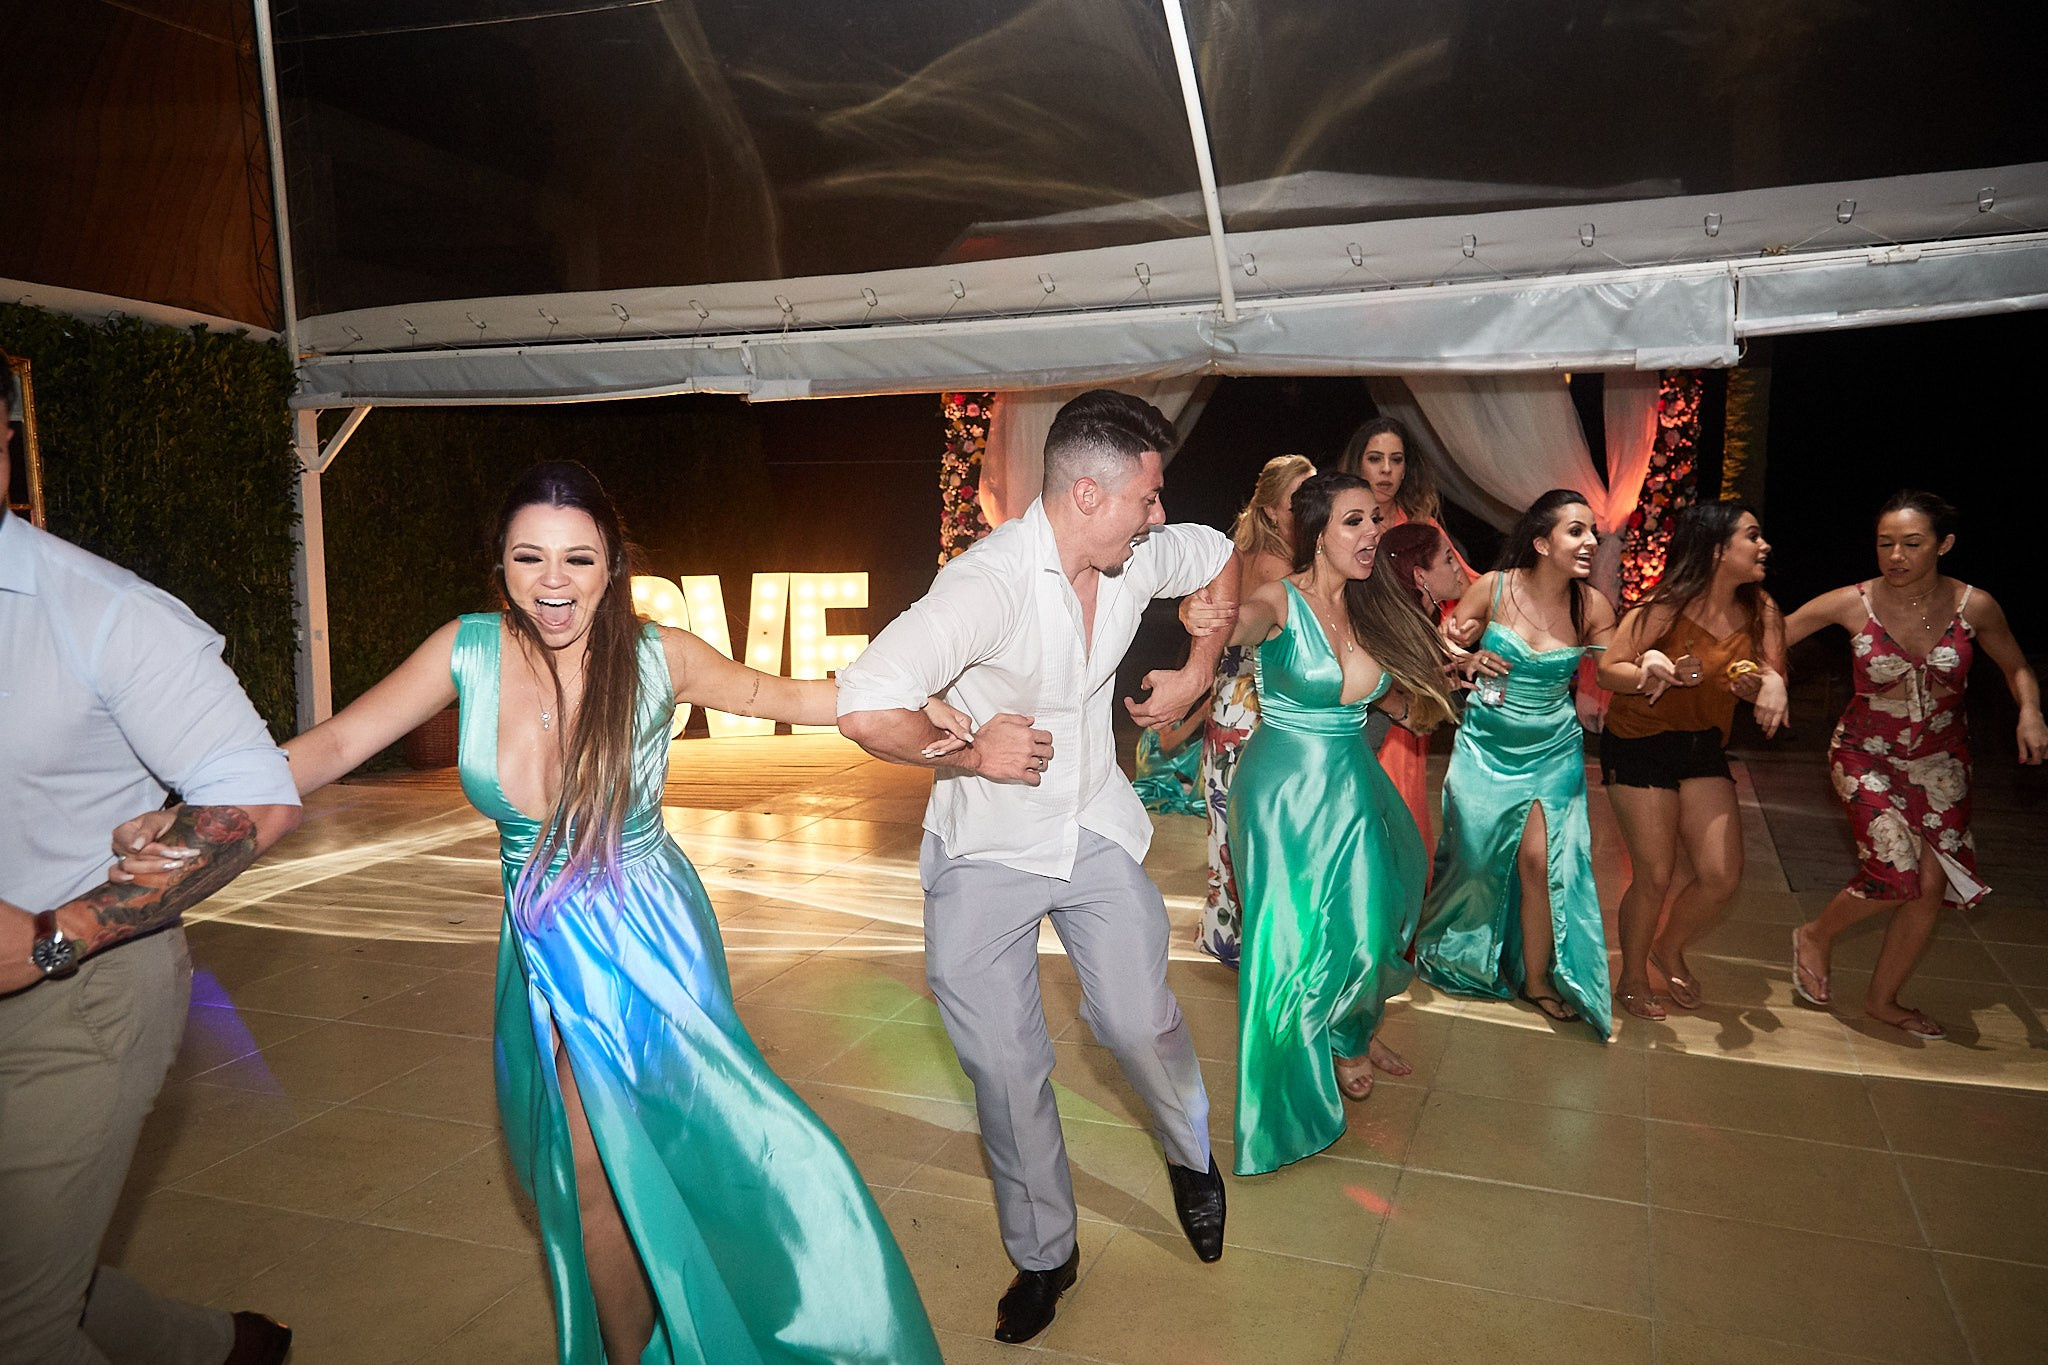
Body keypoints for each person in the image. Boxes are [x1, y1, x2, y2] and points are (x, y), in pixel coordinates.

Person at [122, 462, 945, 1364]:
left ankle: (794, 1310)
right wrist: (200, 809)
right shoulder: (465, 650)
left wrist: (920, 709)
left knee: (666, 1145)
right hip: (545, 941)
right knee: (588, 1172)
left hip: (648, 932)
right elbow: (339, 742)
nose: (555, 582)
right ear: (502, 566)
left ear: (612, 564)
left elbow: (792, 697)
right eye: (530, 557)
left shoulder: (657, 654)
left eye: (578, 559)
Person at [836, 389, 1240, 1346]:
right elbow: (865, 703)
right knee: (1008, 1068)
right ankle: (1045, 1253)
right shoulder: (987, 586)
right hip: (986, 845)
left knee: (1141, 1020)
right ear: (1088, 494)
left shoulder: (1139, 552)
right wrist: (974, 753)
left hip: (1094, 824)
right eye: (1147, 497)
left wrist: (1195, 667)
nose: (1158, 515)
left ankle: (1192, 1157)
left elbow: (1221, 556)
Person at [0, 383, 302, 1365]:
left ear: (2, 442)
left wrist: (59, 932)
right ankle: (212, 1349)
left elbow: (252, 801)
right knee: (36, 1270)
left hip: (73, 995)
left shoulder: (102, 612)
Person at [1223, 473, 1455, 1174]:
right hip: (1282, 795)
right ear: (1318, 530)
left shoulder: (1372, 608)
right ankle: (1282, 1112)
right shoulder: (1278, 601)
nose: (1371, 534)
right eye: (1355, 521)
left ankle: (1348, 1028)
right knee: (1288, 946)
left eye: (1376, 521)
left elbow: (1402, 707)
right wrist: (1211, 622)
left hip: (1353, 785)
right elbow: (1240, 625)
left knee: (1372, 928)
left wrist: (1454, 678)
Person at [1782, 491, 2045, 1039]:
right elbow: (1769, 637)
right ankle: (1815, 934)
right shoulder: (1851, 602)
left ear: (1943, 545)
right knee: (1893, 871)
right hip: (1863, 752)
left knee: (1929, 886)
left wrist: (2031, 713)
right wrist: (1759, 677)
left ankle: (1883, 1000)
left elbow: (2016, 666)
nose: (1895, 555)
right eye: (1885, 543)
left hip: (1941, 763)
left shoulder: (1976, 605)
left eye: (1911, 543)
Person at [1413, 490, 1619, 1036]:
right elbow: (1440, 645)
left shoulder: (1592, 606)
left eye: (1592, 532)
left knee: (1540, 861)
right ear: (1540, 541)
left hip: (1553, 747)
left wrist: (1649, 668)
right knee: (1475, 859)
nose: (1591, 542)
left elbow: (1615, 669)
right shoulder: (1494, 587)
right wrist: (1463, 652)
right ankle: (1459, 953)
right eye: (1577, 531)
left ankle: (1538, 978)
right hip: (1485, 744)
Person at [1596, 502, 1789, 1021]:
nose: (1764, 545)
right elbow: (1608, 670)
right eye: (1753, 536)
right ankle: (1633, 977)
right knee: (1655, 874)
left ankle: (1669, 946)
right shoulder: (1667, 604)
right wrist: (1647, 671)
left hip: (1701, 743)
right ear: (1718, 549)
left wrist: (1767, 686)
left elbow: (1770, 673)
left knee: (1722, 876)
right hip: (1639, 740)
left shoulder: (1761, 609)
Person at [1195, 453, 1314, 963]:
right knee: (1260, 829)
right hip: (1255, 710)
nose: (1310, 512)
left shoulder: (1241, 558)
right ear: (1269, 513)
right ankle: (1264, 941)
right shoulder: (1278, 569)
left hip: (1232, 704)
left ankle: (1231, 933)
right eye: (1299, 502)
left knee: (1231, 828)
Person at [1369, 521, 1493, 861]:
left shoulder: (1413, 618)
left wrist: (1465, 661)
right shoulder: (1396, 624)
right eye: (1449, 561)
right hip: (1350, 767)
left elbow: (1440, 653)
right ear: (1420, 576)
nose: (1458, 569)